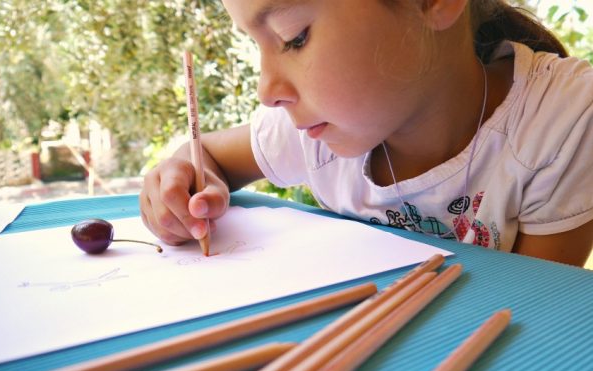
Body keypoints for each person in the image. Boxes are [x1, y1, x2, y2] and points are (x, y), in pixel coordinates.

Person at [139, 0, 593, 267]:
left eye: (294, 37)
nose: (267, 90)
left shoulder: (559, 124)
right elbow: (207, 157)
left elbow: (531, 319)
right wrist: (184, 184)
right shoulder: (311, 131)